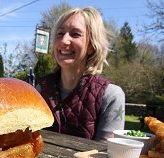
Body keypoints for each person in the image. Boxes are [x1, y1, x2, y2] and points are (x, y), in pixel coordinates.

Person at [36, 7, 124, 141]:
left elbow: (107, 156)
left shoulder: (111, 96)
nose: (64, 40)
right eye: (60, 33)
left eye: (75, 34)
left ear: (91, 46)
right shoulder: (40, 90)